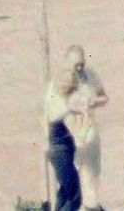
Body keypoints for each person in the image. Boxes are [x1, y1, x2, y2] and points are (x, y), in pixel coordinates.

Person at [65, 45, 109, 211]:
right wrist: (77, 107)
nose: (79, 68)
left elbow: (104, 97)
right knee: (77, 170)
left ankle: (92, 205)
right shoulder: (64, 80)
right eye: (75, 64)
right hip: (72, 130)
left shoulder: (91, 74)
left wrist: (93, 102)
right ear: (68, 62)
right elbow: (59, 106)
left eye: (81, 64)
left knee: (93, 170)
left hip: (89, 126)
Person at [44, 70, 84, 211]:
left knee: (64, 193)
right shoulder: (64, 110)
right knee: (75, 198)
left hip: (57, 153)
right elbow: (78, 135)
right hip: (62, 154)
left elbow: (52, 85)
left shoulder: (53, 99)